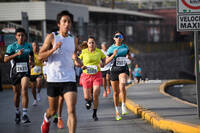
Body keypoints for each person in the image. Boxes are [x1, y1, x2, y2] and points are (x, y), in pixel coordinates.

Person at [39, 10, 79, 133]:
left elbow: (73, 53)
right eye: (64, 21)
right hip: (53, 79)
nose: (67, 24)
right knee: (53, 111)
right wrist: (53, 49)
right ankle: (46, 119)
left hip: (69, 78)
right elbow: (40, 56)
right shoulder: (52, 37)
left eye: (69, 22)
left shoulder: (74, 39)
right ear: (59, 24)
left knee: (71, 110)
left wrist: (77, 59)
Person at [79, 36, 116, 121]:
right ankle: (88, 101)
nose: (91, 44)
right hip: (86, 76)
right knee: (86, 97)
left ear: (95, 44)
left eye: (93, 42)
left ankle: (95, 113)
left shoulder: (99, 52)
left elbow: (105, 61)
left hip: (96, 75)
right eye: (90, 42)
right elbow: (77, 60)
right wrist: (81, 66)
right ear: (87, 44)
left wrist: (104, 63)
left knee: (96, 94)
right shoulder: (84, 52)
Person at [4, 28, 33, 124]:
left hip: (25, 71)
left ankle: (25, 114)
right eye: (19, 35)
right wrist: (16, 54)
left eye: (23, 35)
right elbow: (5, 59)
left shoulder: (29, 46)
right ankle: (17, 112)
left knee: (24, 88)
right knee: (17, 93)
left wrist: (31, 62)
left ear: (25, 36)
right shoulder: (11, 47)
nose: (21, 37)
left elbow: (31, 56)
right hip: (15, 72)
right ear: (16, 36)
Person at [107, 31, 133, 120]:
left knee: (122, 86)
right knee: (115, 93)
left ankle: (123, 105)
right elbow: (106, 61)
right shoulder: (110, 48)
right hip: (114, 71)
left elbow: (130, 57)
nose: (118, 37)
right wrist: (113, 55)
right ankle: (117, 112)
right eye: (116, 36)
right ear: (114, 38)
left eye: (120, 36)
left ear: (122, 38)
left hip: (123, 69)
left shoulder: (125, 47)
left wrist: (130, 57)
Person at [30, 41, 43, 106]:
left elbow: (44, 60)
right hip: (32, 73)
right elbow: (29, 63)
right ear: (32, 47)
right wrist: (30, 65)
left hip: (39, 72)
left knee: (39, 82)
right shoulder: (30, 54)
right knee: (33, 88)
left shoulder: (41, 53)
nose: (36, 46)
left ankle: (38, 93)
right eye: (34, 45)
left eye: (37, 45)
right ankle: (35, 100)